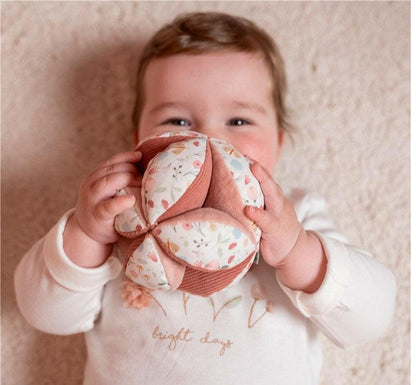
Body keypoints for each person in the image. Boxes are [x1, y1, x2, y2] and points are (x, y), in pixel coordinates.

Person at [14, 12, 396, 385]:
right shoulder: (119, 209)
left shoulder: (295, 214)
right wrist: (87, 235)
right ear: (141, 139)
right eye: (177, 122)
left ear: (278, 142)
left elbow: (371, 318)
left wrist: (298, 250)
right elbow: (46, 315)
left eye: (238, 121)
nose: (207, 140)